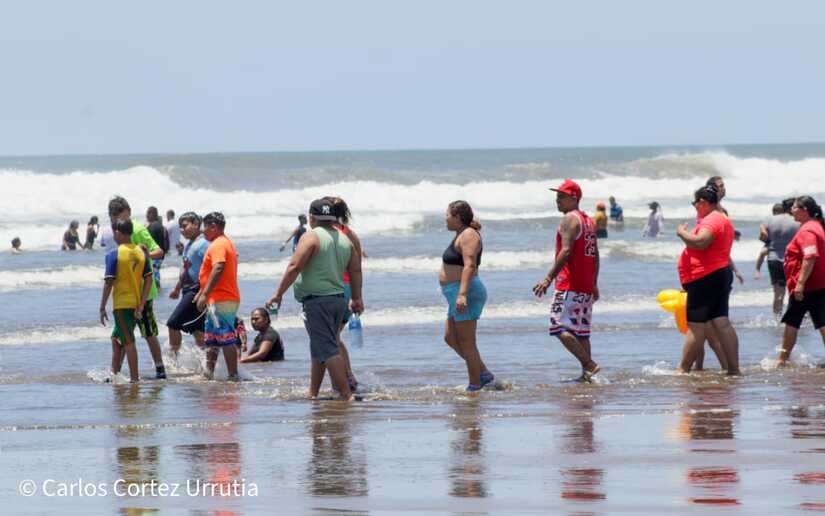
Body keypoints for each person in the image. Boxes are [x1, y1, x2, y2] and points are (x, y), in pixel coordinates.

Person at [266, 198, 363, 400]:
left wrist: (278, 294)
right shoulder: (345, 239)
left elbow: (295, 266)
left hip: (319, 301)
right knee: (319, 346)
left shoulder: (311, 237)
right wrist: (356, 297)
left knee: (327, 347)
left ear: (312, 217)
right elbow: (355, 270)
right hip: (338, 300)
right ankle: (313, 392)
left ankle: (346, 395)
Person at [534, 179, 600, 381]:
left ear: (574, 198)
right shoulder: (588, 220)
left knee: (558, 327)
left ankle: (589, 364)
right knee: (581, 332)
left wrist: (547, 278)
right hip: (585, 285)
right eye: (557, 197)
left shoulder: (569, 220)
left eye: (561, 197)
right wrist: (594, 283)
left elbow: (566, 251)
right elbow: (595, 255)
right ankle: (587, 375)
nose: (557, 201)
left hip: (569, 284)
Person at [675, 186, 740, 375]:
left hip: (705, 277)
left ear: (703, 202)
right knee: (721, 322)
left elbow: (701, 241)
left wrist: (681, 233)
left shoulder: (711, 220)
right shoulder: (723, 219)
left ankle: (682, 369)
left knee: (696, 326)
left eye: (696, 204)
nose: (695, 208)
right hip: (718, 274)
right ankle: (733, 369)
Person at [108, 196, 167, 379]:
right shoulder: (118, 231)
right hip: (126, 295)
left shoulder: (138, 229)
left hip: (143, 293)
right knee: (120, 336)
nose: (117, 221)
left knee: (148, 332)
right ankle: (115, 372)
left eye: (120, 216)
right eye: (113, 218)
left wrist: (145, 255)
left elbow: (159, 251)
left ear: (128, 213)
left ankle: (160, 369)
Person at [440, 200, 494, 392]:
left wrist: (462, 294)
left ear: (457, 217)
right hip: (455, 292)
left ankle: (474, 386)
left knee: (468, 343)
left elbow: (470, 265)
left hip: (466, 291)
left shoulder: (469, 235)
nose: (445, 218)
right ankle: (484, 374)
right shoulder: (462, 233)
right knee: (449, 337)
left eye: (447, 215)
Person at [99, 218, 153, 383]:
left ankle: (134, 379)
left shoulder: (114, 254)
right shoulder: (141, 252)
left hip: (122, 304)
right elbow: (149, 279)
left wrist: (102, 307)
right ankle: (113, 374)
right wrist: (142, 303)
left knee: (129, 342)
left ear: (118, 233)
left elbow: (109, 283)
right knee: (116, 338)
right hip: (136, 303)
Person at [776, 196, 825, 365]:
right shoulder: (816, 226)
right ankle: (782, 359)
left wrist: (800, 284)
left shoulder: (808, 231)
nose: (791, 210)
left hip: (807, 287)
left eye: (795, 208)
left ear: (804, 210)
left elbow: (810, 256)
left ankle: (782, 360)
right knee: (819, 321)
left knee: (792, 322)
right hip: (816, 284)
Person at [194, 212, 241, 381]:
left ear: (213, 226)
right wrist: (202, 293)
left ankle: (233, 376)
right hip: (217, 298)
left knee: (225, 337)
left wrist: (205, 293)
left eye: (204, 227)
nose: (202, 231)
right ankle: (209, 373)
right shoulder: (222, 242)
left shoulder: (219, 244)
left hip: (222, 298)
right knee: (212, 338)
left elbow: (219, 267)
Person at [329, 197, 366, 391]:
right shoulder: (351, 234)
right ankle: (347, 376)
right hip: (349, 288)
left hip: (336, 288)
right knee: (334, 336)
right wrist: (358, 297)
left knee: (332, 337)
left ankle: (347, 378)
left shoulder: (329, 233)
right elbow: (357, 267)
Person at [166, 212, 209, 356]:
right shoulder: (188, 244)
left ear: (196, 225)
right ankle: (206, 364)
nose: (182, 230)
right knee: (197, 330)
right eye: (180, 227)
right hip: (186, 290)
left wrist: (203, 292)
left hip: (196, 290)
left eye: (185, 226)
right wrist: (177, 289)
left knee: (173, 323)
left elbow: (212, 268)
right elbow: (185, 268)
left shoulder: (204, 244)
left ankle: (173, 359)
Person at [758, 203, 799, 315]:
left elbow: (762, 234)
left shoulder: (769, 219)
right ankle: (794, 318)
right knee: (795, 291)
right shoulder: (795, 221)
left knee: (778, 294)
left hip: (774, 259)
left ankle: (777, 319)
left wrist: (770, 242)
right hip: (791, 259)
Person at [146, 206, 169, 290]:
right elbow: (167, 240)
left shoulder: (151, 227)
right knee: (156, 270)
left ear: (152, 214)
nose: (146, 216)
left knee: (154, 271)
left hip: (154, 253)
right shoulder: (162, 227)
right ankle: (157, 287)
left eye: (148, 213)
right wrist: (165, 251)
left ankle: (157, 287)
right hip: (161, 253)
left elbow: (147, 242)